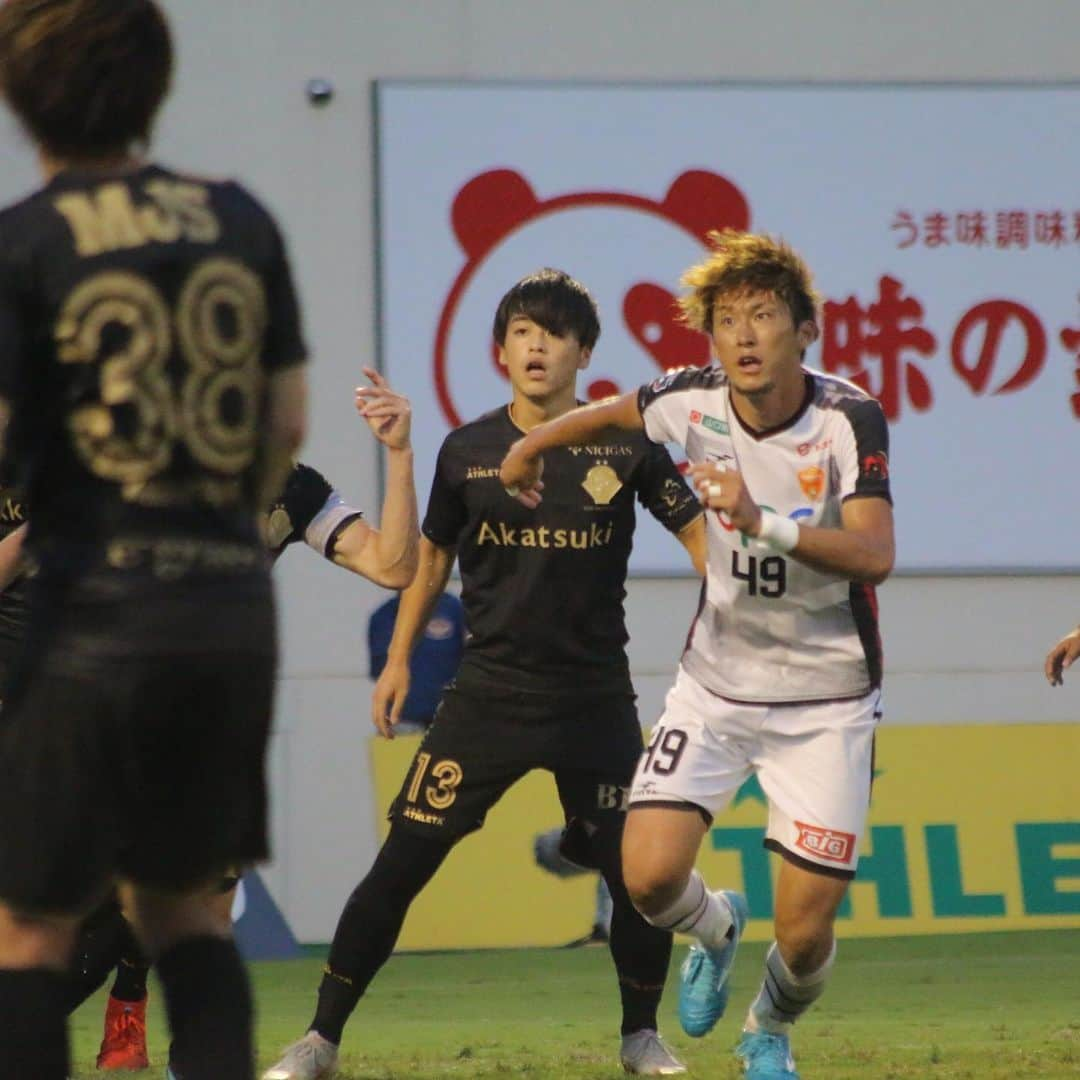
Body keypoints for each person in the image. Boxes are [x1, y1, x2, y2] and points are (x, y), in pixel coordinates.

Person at [264, 268, 706, 1080]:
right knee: (399, 866)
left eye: (555, 333)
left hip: (595, 700)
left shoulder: (628, 444)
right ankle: (319, 1039)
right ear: (500, 350)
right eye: (522, 333)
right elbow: (428, 562)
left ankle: (641, 1037)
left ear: (585, 351)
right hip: (488, 696)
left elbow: (702, 541)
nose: (538, 347)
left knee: (637, 878)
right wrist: (398, 660)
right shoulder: (465, 451)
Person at [0, 1, 313, 1075]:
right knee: (187, 918)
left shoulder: (27, 241)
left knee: (32, 928)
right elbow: (287, 428)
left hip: (88, 620)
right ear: (155, 88)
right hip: (225, 613)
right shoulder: (242, 222)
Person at [500, 232, 895, 1080]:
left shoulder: (845, 417)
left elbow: (875, 554)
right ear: (710, 336)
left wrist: (764, 522)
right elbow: (610, 412)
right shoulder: (690, 398)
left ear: (805, 329)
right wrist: (531, 447)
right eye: (727, 320)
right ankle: (714, 928)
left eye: (763, 315)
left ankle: (769, 1026)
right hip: (715, 688)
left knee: (805, 930)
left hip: (826, 699)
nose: (745, 335)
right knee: (644, 879)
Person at [367, 591, 465, 732]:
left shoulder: (455, 609)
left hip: (451, 720)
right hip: (402, 720)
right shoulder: (383, 616)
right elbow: (379, 671)